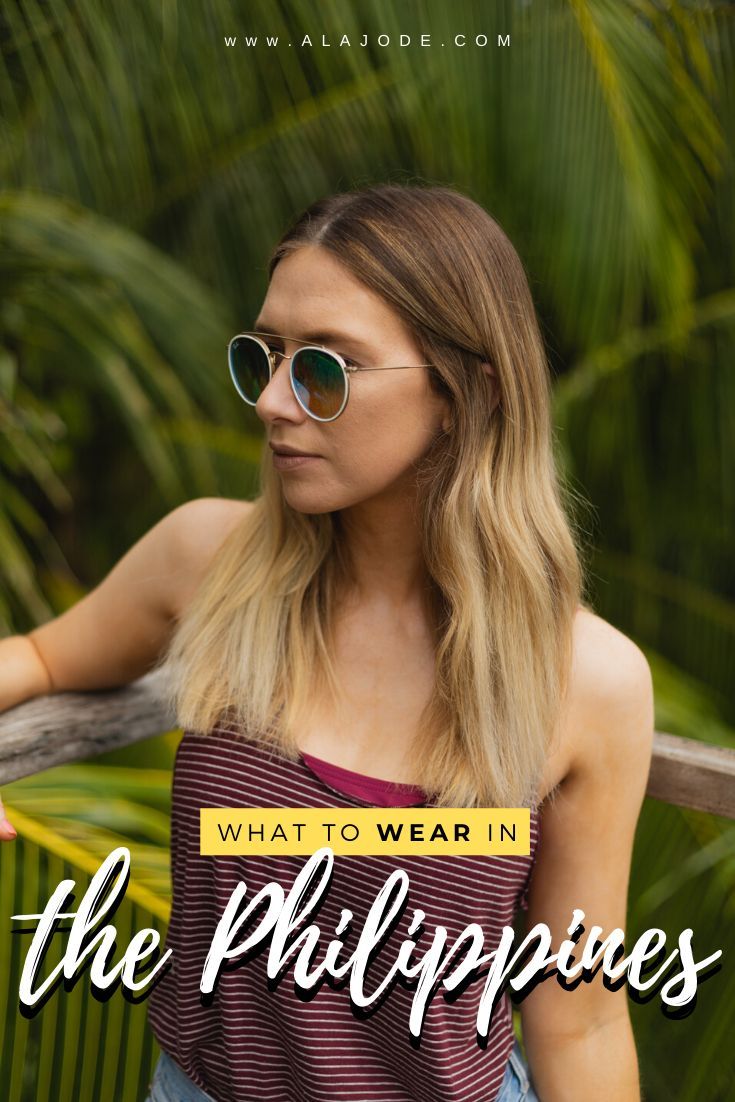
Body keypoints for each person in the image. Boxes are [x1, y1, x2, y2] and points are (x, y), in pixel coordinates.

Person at [0, 183, 654, 1102]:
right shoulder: (207, 561)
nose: (271, 400)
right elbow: (38, 658)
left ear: (469, 391)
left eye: (325, 368)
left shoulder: (585, 679)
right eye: (264, 355)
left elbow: (578, 1013)